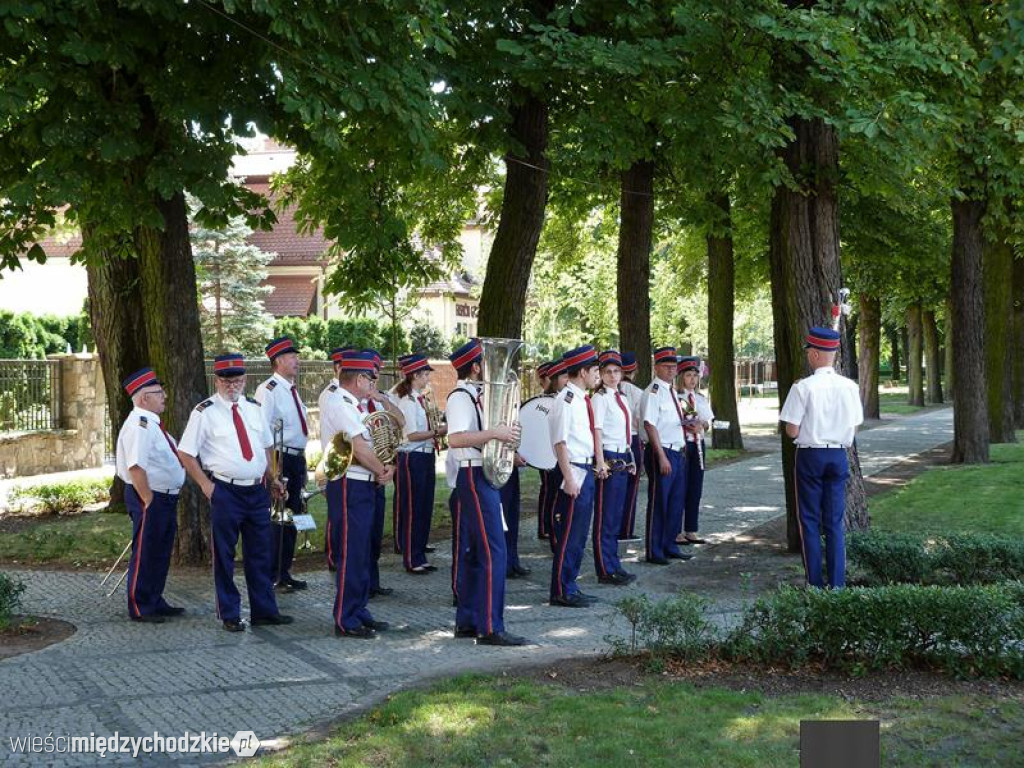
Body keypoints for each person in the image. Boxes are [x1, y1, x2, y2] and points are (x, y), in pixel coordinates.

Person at [177, 354, 293, 632]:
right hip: (225, 491)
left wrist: (273, 478)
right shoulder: (204, 412)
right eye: (227, 381)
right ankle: (229, 613)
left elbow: (265, 446)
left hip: (256, 490)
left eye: (238, 381)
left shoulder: (254, 407)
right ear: (217, 381)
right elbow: (185, 453)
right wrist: (206, 486)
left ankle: (264, 610)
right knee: (225, 555)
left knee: (260, 553)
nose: (233, 386)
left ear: (245, 380)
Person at [446, 339, 527, 646]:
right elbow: (455, 438)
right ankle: (491, 627)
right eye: (484, 363)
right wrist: (496, 433)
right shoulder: (460, 397)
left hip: (482, 472)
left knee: (476, 552)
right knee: (495, 550)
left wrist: (507, 439)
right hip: (473, 473)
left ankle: (468, 621)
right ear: (476, 367)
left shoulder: (478, 395)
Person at [779, 326, 863, 588]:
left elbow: (791, 430)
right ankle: (837, 584)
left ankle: (814, 582)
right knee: (835, 522)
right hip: (838, 454)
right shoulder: (849, 386)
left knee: (810, 520)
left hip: (810, 455)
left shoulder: (803, 387)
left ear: (814, 354)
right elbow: (855, 424)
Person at [319, 350, 396, 637]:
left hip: (363, 483)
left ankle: (359, 608)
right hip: (350, 483)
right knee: (352, 551)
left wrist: (385, 466)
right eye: (370, 378)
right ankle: (346, 617)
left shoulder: (356, 404)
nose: (372, 383)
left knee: (363, 551)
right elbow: (361, 448)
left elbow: (376, 441)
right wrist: (382, 470)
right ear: (360, 378)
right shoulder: (340, 402)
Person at [114, 367, 186, 623]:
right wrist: (148, 498)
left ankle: (154, 599)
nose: (164, 395)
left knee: (160, 550)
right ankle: (141, 605)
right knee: (146, 551)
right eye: (158, 392)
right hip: (150, 497)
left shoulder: (152, 424)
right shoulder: (140, 425)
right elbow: (136, 466)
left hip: (163, 497)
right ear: (144, 398)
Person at [548, 345, 602, 607]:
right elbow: (560, 442)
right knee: (569, 533)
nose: (598, 375)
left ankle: (570, 584)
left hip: (584, 469)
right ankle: (560, 589)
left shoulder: (581, 399)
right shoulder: (565, 400)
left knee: (579, 534)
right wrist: (569, 478)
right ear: (582, 371)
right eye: (595, 370)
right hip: (574, 471)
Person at [253, 336, 308, 592]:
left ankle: (285, 571)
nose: (297, 360)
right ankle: (274, 573)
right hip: (280, 457)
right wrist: (272, 471)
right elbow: (262, 431)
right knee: (279, 516)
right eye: (291, 357)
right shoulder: (269, 390)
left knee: (293, 515)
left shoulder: (290, 389)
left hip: (296, 457)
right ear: (278, 361)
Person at [640, 346, 693, 565]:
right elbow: (650, 424)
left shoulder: (672, 391)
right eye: (667, 366)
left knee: (675, 502)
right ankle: (654, 550)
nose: (672, 371)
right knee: (660, 502)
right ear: (657, 367)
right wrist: (661, 456)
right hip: (663, 451)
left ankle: (669, 544)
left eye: (674, 367)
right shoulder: (653, 391)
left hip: (678, 450)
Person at [393, 353, 445, 574]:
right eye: (425, 374)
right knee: (414, 508)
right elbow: (412, 434)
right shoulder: (407, 401)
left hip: (424, 455)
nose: (427, 379)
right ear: (415, 375)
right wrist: (437, 431)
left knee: (424, 506)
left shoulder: (419, 398)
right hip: (412, 457)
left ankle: (419, 552)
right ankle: (412, 558)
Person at [589, 350, 637, 585]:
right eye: (607, 371)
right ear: (600, 373)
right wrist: (599, 461)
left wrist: (631, 459)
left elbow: (626, 432)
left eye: (616, 371)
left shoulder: (622, 398)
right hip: (607, 456)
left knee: (615, 515)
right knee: (605, 517)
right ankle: (605, 568)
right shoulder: (599, 398)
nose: (612, 375)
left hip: (621, 456)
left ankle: (614, 563)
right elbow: (596, 430)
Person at [361, 348, 405, 591]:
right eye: (369, 377)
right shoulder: (350, 403)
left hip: (381, 472)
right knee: (363, 533)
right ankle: (364, 583)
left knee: (376, 531)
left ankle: (373, 582)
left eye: (375, 377)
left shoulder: (380, 399)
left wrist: (383, 400)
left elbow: (401, 421)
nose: (373, 382)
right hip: (364, 472)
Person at [675, 356, 714, 546]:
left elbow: (708, 421)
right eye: (688, 375)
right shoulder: (676, 397)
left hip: (698, 445)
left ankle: (691, 529)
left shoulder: (700, 398)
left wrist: (702, 426)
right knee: (679, 488)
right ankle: (676, 530)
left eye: (695, 376)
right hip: (682, 445)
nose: (692, 379)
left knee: (695, 488)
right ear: (681, 376)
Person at [539, 358, 569, 551]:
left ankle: (557, 531)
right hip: (549, 455)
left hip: (561, 455)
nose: (568, 379)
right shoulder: (548, 401)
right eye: (565, 375)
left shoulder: (566, 398)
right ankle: (550, 532)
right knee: (552, 494)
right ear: (556, 379)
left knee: (558, 495)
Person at [617, 352, 644, 542]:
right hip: (632, 440)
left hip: (613, 442)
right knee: (631, 487)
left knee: (615, 488)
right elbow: (640, 421)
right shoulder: (637, 393)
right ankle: (625, 529)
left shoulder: (610, 390)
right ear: (634, 370)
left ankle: (613, 527)